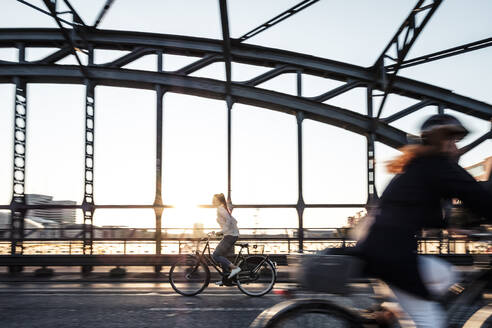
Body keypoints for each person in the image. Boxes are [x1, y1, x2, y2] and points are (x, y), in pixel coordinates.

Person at [355, 114, 492, 327]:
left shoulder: (417, 167)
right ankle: (403, 312)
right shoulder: (438, 166)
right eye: (454, 141)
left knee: (446, 275)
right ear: (442, 141)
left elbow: (415, 210)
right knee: (431, 321)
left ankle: (394, 312)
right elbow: (478, 197)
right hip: (393, 256)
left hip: (382, 248)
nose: (457, 148)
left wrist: (451, 226)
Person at [211, 193, 241, 284]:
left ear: (218, 201)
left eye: (214, 199)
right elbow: (228, 222)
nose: (212, 201)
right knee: (222, 256)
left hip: (230, 235)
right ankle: (226, 280)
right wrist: (220, 232)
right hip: (231, 234)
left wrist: (221, 232)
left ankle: (235, 269)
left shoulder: (220, 208)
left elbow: (228, 220)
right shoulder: (222, 208)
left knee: (216, 255)